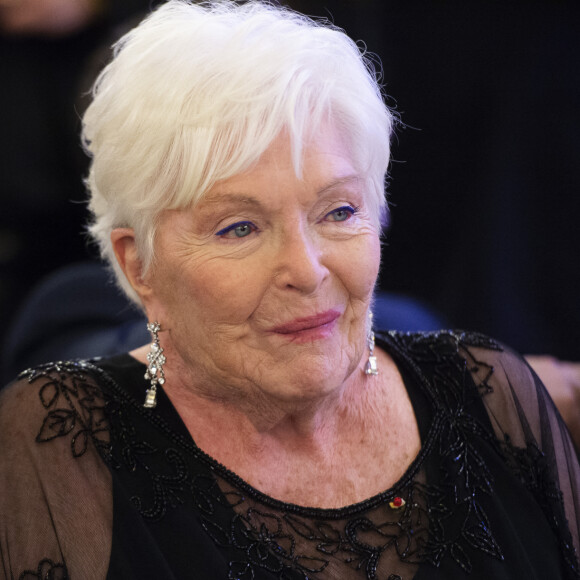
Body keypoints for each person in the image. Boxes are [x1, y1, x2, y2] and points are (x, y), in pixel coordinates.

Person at [0, 1, 578, 578]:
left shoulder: (497, 397)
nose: (307, 269)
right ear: (138, 265)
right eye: (240, 227)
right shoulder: (60, 442)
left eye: (339, 210)